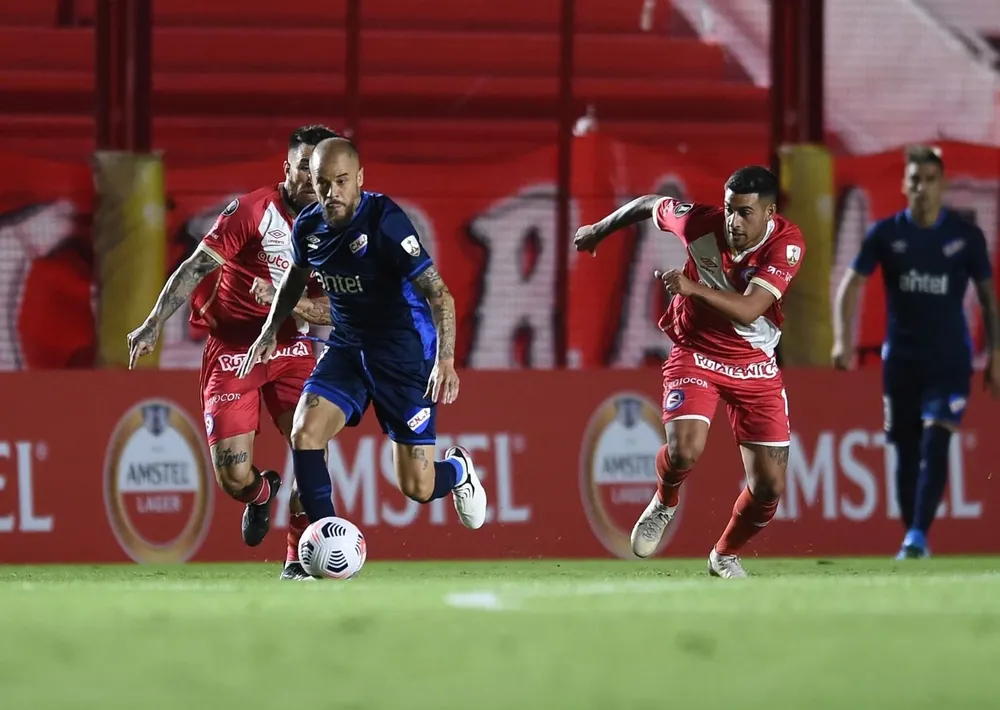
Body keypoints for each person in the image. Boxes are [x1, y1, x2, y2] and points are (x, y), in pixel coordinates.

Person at [238, 137, 487, 565]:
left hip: (404, 356)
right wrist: (268, 331)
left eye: (341, 181)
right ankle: (327, 544)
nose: (332, 192)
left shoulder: (386, 222)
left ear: (360, 180)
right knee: (304, 432)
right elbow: (294, 281)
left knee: (417, 487)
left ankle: (459, 472)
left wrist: (445, 359)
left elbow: (440, 296)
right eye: (322, 182)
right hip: (348, 349)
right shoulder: (309, 226)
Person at [127, 125, 339, 580]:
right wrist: (153, 323)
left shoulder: (337, 230)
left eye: (321, 170)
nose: (313, 178)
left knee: (311, 444)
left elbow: (337, 312)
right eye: (305, 167)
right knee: (233, 477)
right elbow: (196, 266)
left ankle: (299, 559)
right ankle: (261, 495)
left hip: (291, 347)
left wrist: (291, 303)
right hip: (235, 350)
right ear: (287, 168)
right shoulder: (252, 211)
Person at [574, 166, 805, 578]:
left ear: (770, 213)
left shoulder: (786, 244)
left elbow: (752, 307)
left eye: (745, 213)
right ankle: (665, 500)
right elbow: (649, 205)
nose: (733, 222)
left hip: (754, 362)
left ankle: (724, 554)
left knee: (769, 487)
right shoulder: (700, 222)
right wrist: (598, 230)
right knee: (684, 450)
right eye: (730, 209)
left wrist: (692, 288)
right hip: (695, 350)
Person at [832, 145, 1000, 559]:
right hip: (901, 364)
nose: (921, 186)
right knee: (905, 454)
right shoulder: (886, 234)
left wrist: (995, 353)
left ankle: (918, 534)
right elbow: (850, 285)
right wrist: (841, 338)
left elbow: (987, 299)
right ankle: (913, 536)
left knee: (936, 440)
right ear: (905, 185)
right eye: (914, 179)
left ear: (942, 184)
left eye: (929, 178)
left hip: (949, 362)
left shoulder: (965, 238)